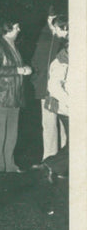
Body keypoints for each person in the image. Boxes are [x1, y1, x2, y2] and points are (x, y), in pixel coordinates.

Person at [0, 19, 32, 175]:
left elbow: (15, 68)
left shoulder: (13, 46)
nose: (19, 29)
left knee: (12, 135)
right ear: (8, 29)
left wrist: (26, 69)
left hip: (14, 98)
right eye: (17, 27)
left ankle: (10, 166)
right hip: (0, 98)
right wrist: (18, 70)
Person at [30, 7, 67, 166]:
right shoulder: (43, 36)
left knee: (65, 126)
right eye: (50, 17)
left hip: (63, 91)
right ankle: (49, 160)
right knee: (48, 125)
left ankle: (65, 162)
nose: (52, 21)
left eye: (55, 17)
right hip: (45, 91)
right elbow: (35, 62)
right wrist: (36, 80)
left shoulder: (66, 38)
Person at [42, 16, 68, 182]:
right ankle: (52, 164)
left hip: (65, 105)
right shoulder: (61, 55)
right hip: (66, 105)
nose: (56, 32)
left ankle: (53, 164)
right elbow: (54, 84)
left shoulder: (63, 46)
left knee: (74, 141)